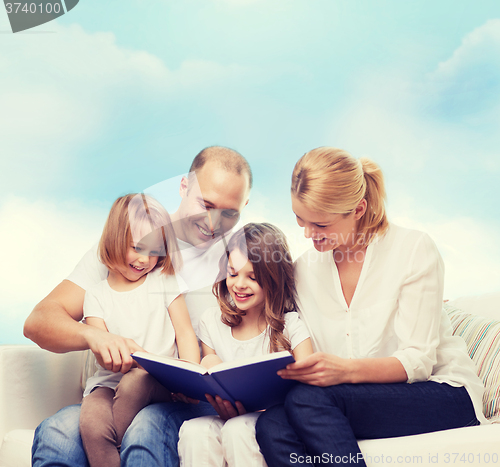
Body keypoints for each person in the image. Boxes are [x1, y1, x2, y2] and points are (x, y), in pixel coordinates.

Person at [255, 147, 486, 466]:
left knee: (308, 400)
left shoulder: (413, 249)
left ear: (359, 208)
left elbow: (418, 360)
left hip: (442, 392)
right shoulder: (304, 270)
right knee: (271, 425)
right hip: (349, 399)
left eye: (321, 225)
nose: (309, 235)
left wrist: (344, 370)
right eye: (300, 221)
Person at [24, 146, 252, 467]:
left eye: (230, 213)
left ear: (245, 207)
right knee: (58, 432)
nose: (214, 222)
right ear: (184, 186)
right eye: (206, 204)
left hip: (184, 400)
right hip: (114, 392)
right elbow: (38, 322)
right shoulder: (122, 245)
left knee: (145, 427)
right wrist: (95, 336)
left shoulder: (240, 263)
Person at [79, 194, 200, 467]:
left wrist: (189, 377)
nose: (145, 259)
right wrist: (128, 353)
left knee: (136, 381)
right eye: (136, 247)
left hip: (159, 381)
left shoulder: (164, 279)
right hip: (109, 383)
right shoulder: (96, 295)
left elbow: (185, 333)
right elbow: (103, 352)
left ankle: (120, 445)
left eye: (155, 250)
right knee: (91, 424)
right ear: (114, 240)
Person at [178, 223, 313, 467]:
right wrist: (208, 364)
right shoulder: (211, 321)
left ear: (273, 279)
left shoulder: (291, 325)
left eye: (252, 277)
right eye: (233, 273)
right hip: (225, 415)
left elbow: (309, 388)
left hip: (273, 419)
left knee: (239, 430)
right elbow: (210, 379)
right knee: (194, 430)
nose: (239, 284)